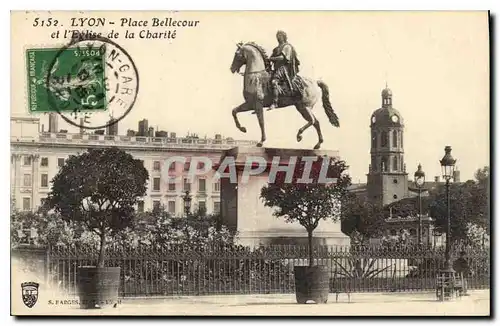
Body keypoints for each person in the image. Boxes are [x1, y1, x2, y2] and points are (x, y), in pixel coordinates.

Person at [268, 30, 300, 110]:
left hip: (283, 68)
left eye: (280, 36)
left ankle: (275, 103)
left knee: (274, 82)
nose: (278, 37)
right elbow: (270, 59)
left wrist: (271, 58)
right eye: (277, 36)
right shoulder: (276, 49)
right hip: (276, 68)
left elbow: (283, 58)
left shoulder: (287, 46)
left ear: (283, 37)